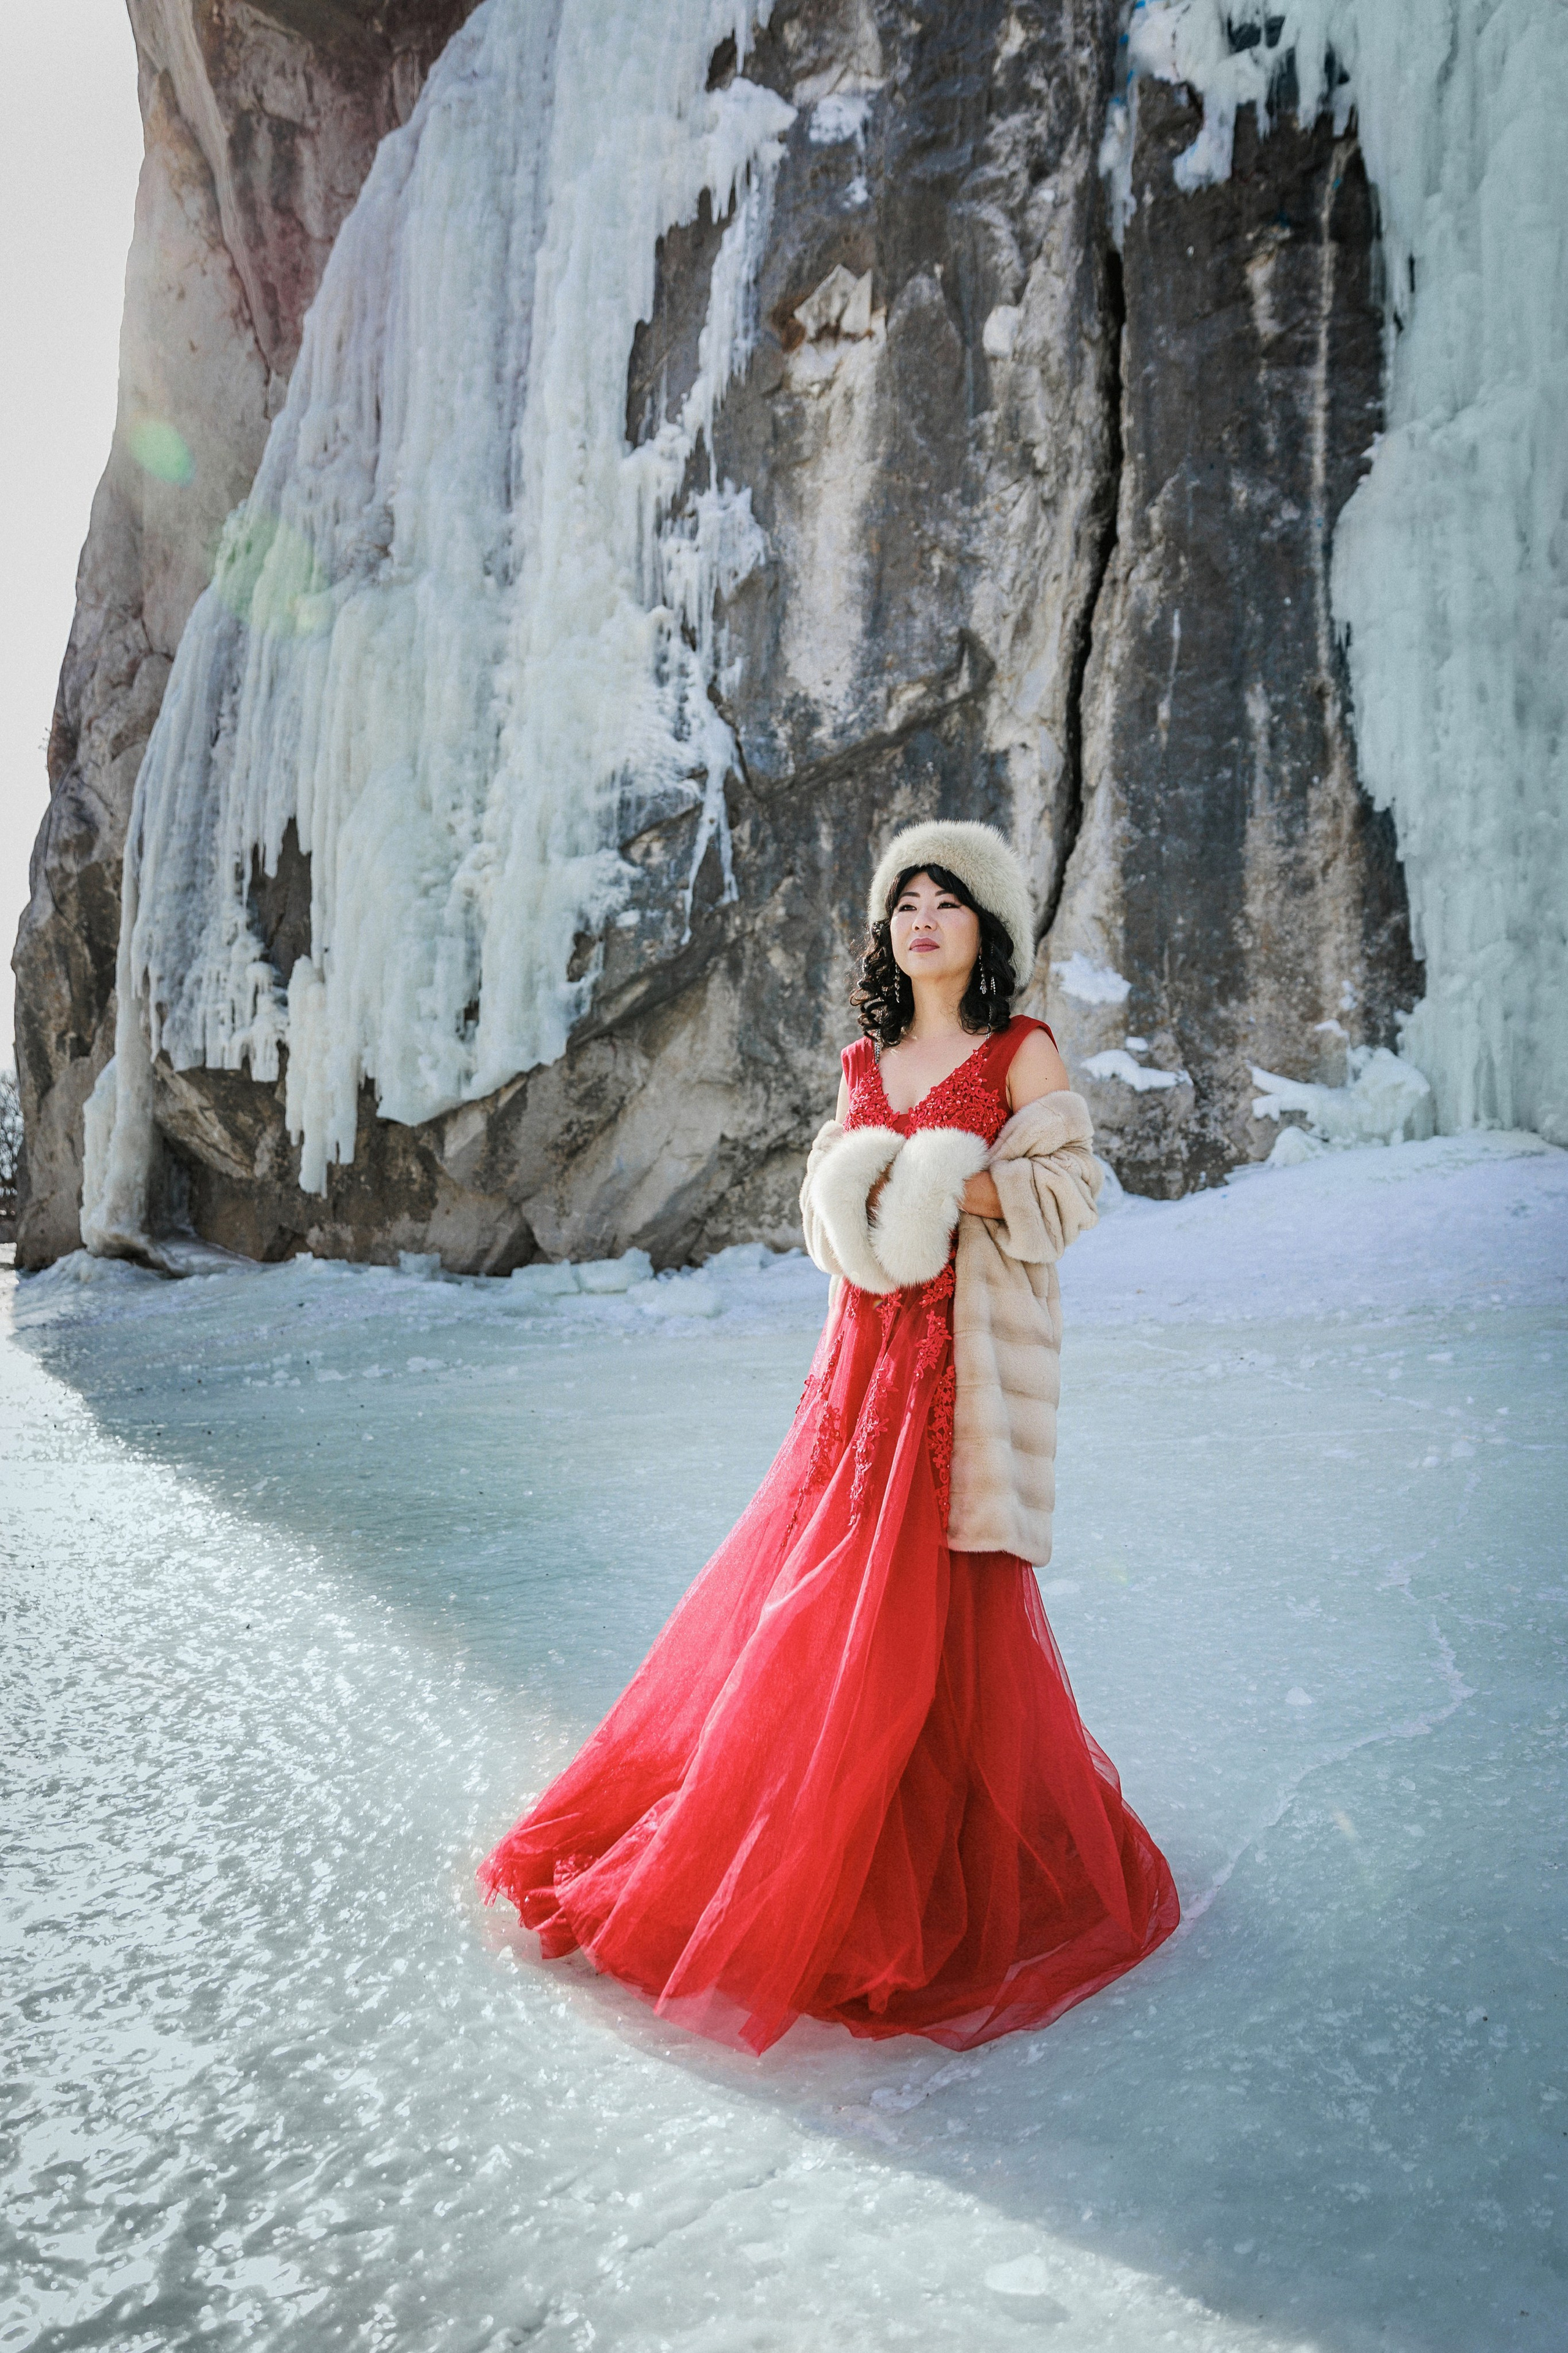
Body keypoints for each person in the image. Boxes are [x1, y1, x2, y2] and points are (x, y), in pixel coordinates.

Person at [479, 819, 1178, 2052]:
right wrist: (860, 1185)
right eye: (903, 902)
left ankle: (922, 1871)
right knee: (826, 1612)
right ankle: (794, 1850)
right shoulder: (864, 1059)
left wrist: (940, 1180)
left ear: (985, 927)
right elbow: (825, 1213)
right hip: (857, 1378)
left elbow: (1066, 1195)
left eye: (947, 901)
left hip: (959, 1375)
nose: (921, 919)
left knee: (931, 1621)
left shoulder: (1018, 1050)